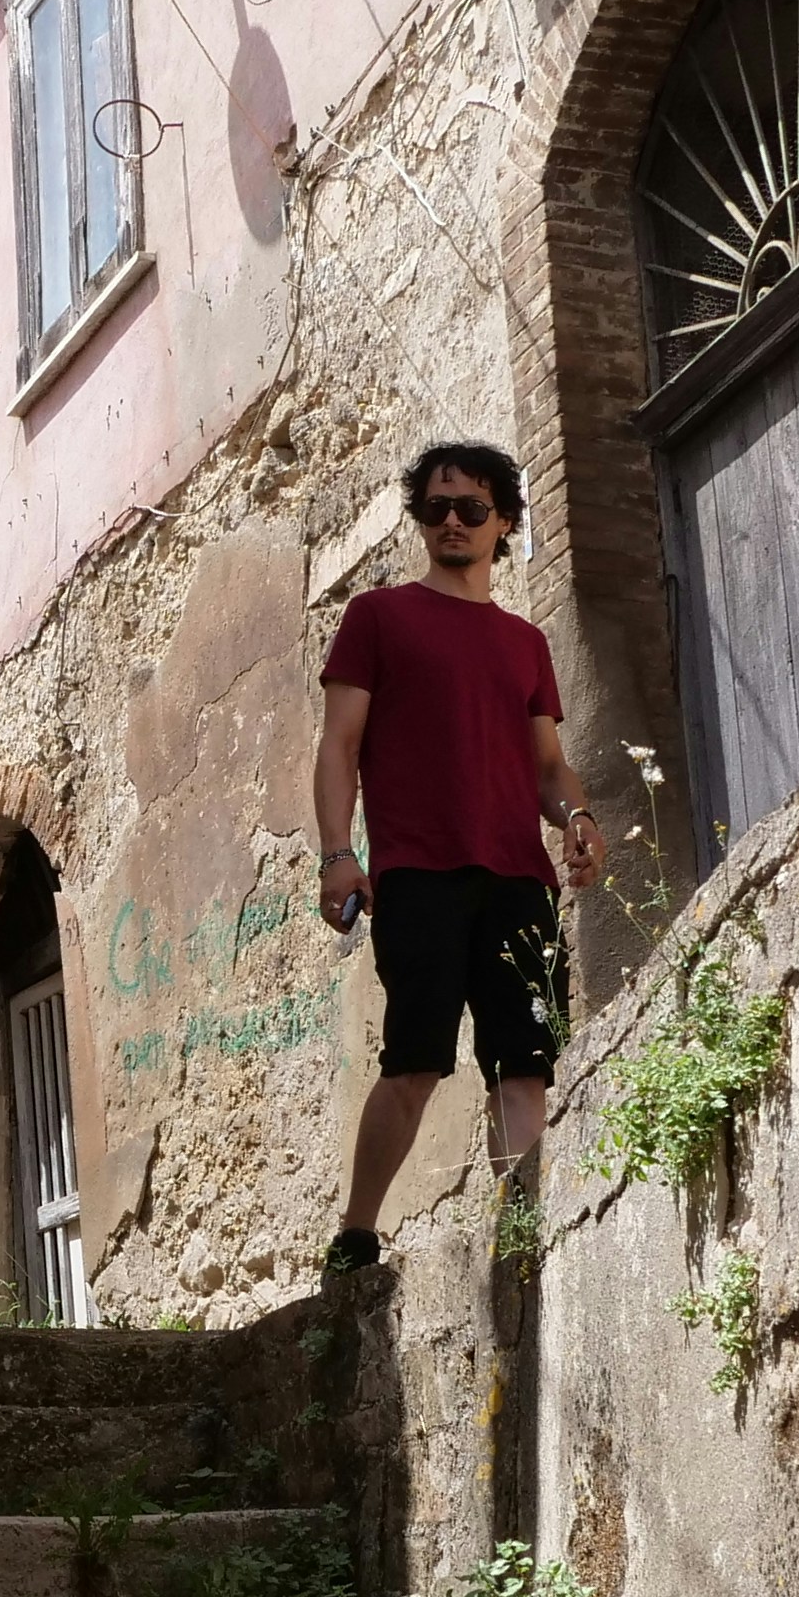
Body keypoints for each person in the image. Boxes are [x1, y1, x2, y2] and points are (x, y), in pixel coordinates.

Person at [314, 442, 604, 1273]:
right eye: (436, 506)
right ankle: (356, 1235)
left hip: (520, 880)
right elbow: (338, 746)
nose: (452, 521)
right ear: (420, 518)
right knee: (414, 1063)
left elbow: (549, 768)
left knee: (525, 1067)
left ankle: (522, 1236)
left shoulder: (525, 644)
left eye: (471, 508)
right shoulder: (378, 618)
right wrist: (337, 854)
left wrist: (578, 817)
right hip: (418, 875)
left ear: (502, 522)